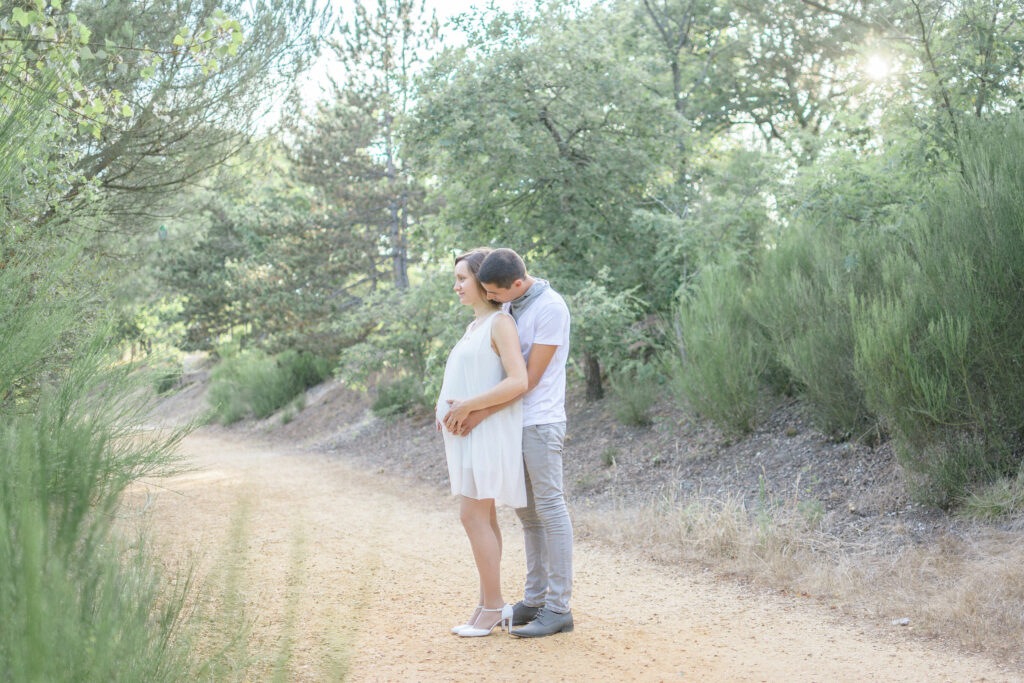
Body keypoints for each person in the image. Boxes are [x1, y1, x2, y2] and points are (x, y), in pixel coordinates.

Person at [443, 247, 574, 638]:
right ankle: (533, 601)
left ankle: (558, 607)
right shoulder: (512, 306)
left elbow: (527, 379)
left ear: (514, 284)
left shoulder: (550, 307)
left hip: (541, 421)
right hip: (513, 422)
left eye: (495, 292)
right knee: (529, 518)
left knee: (551, 511)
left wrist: (476, 412)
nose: (492, 298)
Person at [435, 247, 528, 638]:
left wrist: (468, 406)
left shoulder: (500, 324)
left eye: (462, 279)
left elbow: (517, 381)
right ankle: (486, 603)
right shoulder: (473, 327)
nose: (456, 286)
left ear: (482, 282)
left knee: (472, 516)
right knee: (483, 517)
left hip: (486, 432)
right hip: (467, 434)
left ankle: (493, 607)